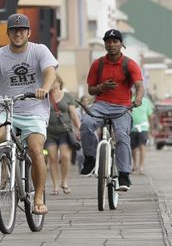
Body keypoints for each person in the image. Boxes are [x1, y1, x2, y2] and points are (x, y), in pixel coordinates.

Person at [0, 13, 57, 215]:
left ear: (28, 32)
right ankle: (4, 166)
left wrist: (45, 87)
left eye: (22, 30)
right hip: (7, 108)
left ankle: (39, 197)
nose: (18, 33)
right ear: (8, 33)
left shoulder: (39, 50)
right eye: (14, 30)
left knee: (35, 148)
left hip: (34, 109)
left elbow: (50, 71)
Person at [79, 28, 144, 192]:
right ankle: (90, 159)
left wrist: (137, 99)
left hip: (122, 107)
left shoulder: (129, 64)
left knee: (122, 136)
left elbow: (139, 85)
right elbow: (91, 90)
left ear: (121, 44)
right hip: (100, 105)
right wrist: (101, 87)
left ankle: (124, 174)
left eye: (115, 41)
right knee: (86, 123)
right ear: (105, 44)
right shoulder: (98, 64)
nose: (112, 44)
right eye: (108, 41)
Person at [45, 74, 81, 195]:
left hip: (65, 132)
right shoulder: (45, 97)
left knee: (65, 157)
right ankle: (55, 185)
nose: (51, 84)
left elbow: (73, 114)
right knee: (52, 158)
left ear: (59, 82)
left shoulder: (67, 97)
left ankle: (64, 182)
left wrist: (78, 128)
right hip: (49, 132)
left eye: (53, 82)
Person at [130, 93, 154, 174]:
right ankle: (135, 164)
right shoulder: (130, 100)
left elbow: (150, 115)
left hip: (143, 128)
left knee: (142, 146)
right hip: (132, 128)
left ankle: (141, 166)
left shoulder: (146, 101)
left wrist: (151, 128)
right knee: (133, 148)